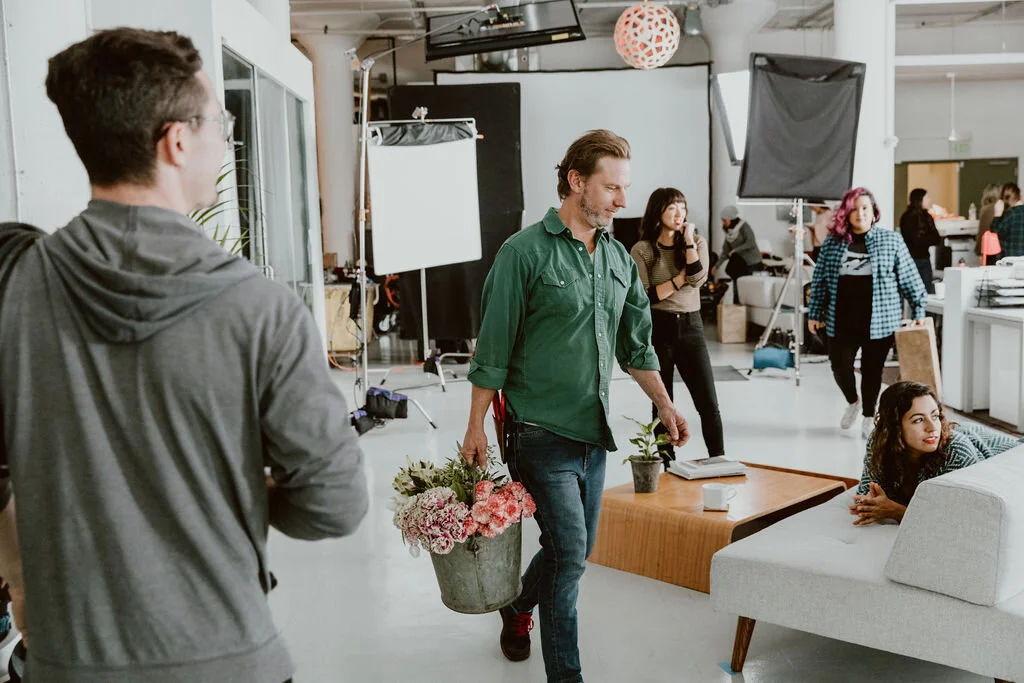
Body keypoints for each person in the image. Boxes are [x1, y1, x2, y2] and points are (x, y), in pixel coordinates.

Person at [0, 28, 368, 683]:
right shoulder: (261, 308)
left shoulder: (17, 285)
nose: (225, 141)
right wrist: (238, 488)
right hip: (227, 658)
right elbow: (335, 502)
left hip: (64, 663)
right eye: (220, 124)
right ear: (176, 141)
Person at [461, 130, 690, 683]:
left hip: (594, 434)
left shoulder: (616, 258)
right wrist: (475, 426)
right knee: (570, 558)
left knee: (571, 550)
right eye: (611, 188)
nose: (622, 200)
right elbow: (493, 350)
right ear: (576, 181)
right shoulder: (523, 253)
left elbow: (636, 346)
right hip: (537, 431)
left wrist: (665, 405)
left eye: (625, 188)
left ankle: (517, 608)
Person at [808, 187, 927, 440]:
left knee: (873, 371)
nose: (860, 214)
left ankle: (868, 415)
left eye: (865, 208)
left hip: (880, 320)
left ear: (874, 212)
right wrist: (814, 312)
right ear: (846, 214)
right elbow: (820, 281)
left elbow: (909, 277)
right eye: (855, 209)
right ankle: (853, 401)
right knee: (840, 367)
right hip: (841, 318)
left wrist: (918, 308)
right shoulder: (833, 243)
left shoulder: (891, 240)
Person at [630, 188, 723, 467]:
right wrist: (681, 277)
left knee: (708, 402)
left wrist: (689, 242)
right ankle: (667, 465)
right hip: (658, 328)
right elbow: (646, 296)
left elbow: (698, 279)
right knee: (662, 403)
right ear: (658, 212)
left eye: (682, 207)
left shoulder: (697, 243)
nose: (679, 213)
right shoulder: (642, 250)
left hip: (692, 327)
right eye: (672, 208)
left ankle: (719, 460)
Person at [850, 381, 1020, 525]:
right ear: (894, 428)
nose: (932, 428)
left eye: (935, 416)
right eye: (918, 420)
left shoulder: (956, 451)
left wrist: (896, 511)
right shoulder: (881, 440)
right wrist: (873, 503)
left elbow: (967, 519)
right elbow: (866, 493)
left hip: (1016, 459)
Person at [898, 188, 941, 294]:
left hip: (921, 258)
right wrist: (926, 239)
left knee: (922, 291)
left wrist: (922, 239)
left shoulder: (926, 217)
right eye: (927, 198)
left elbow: (936, 238)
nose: (930, 200)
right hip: (914, 259)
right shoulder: (909, 218)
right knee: (918, 292)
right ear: (920, 200)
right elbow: (915, 240)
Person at [720, 205, 763, 303]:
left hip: (753, 263)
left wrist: (736, 250)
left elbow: (750, 242)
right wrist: (716, 266)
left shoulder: (744, 226)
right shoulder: (729, 233)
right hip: (741, 264)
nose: (723, 223)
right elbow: (725, 251)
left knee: (750, 290)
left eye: (725, 220)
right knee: (738, 289)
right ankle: (738, 310)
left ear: (731, 219)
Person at [992, 182, 1024, 258]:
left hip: (1009, 259)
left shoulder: (1010, 214)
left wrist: (997, 216)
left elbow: (995, 234)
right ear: (1019, 196)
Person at [975, 183, 1002, 260]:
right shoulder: (997, 208)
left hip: (984, 247)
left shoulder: (985, 209)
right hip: (993, 248)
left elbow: (982, 231)